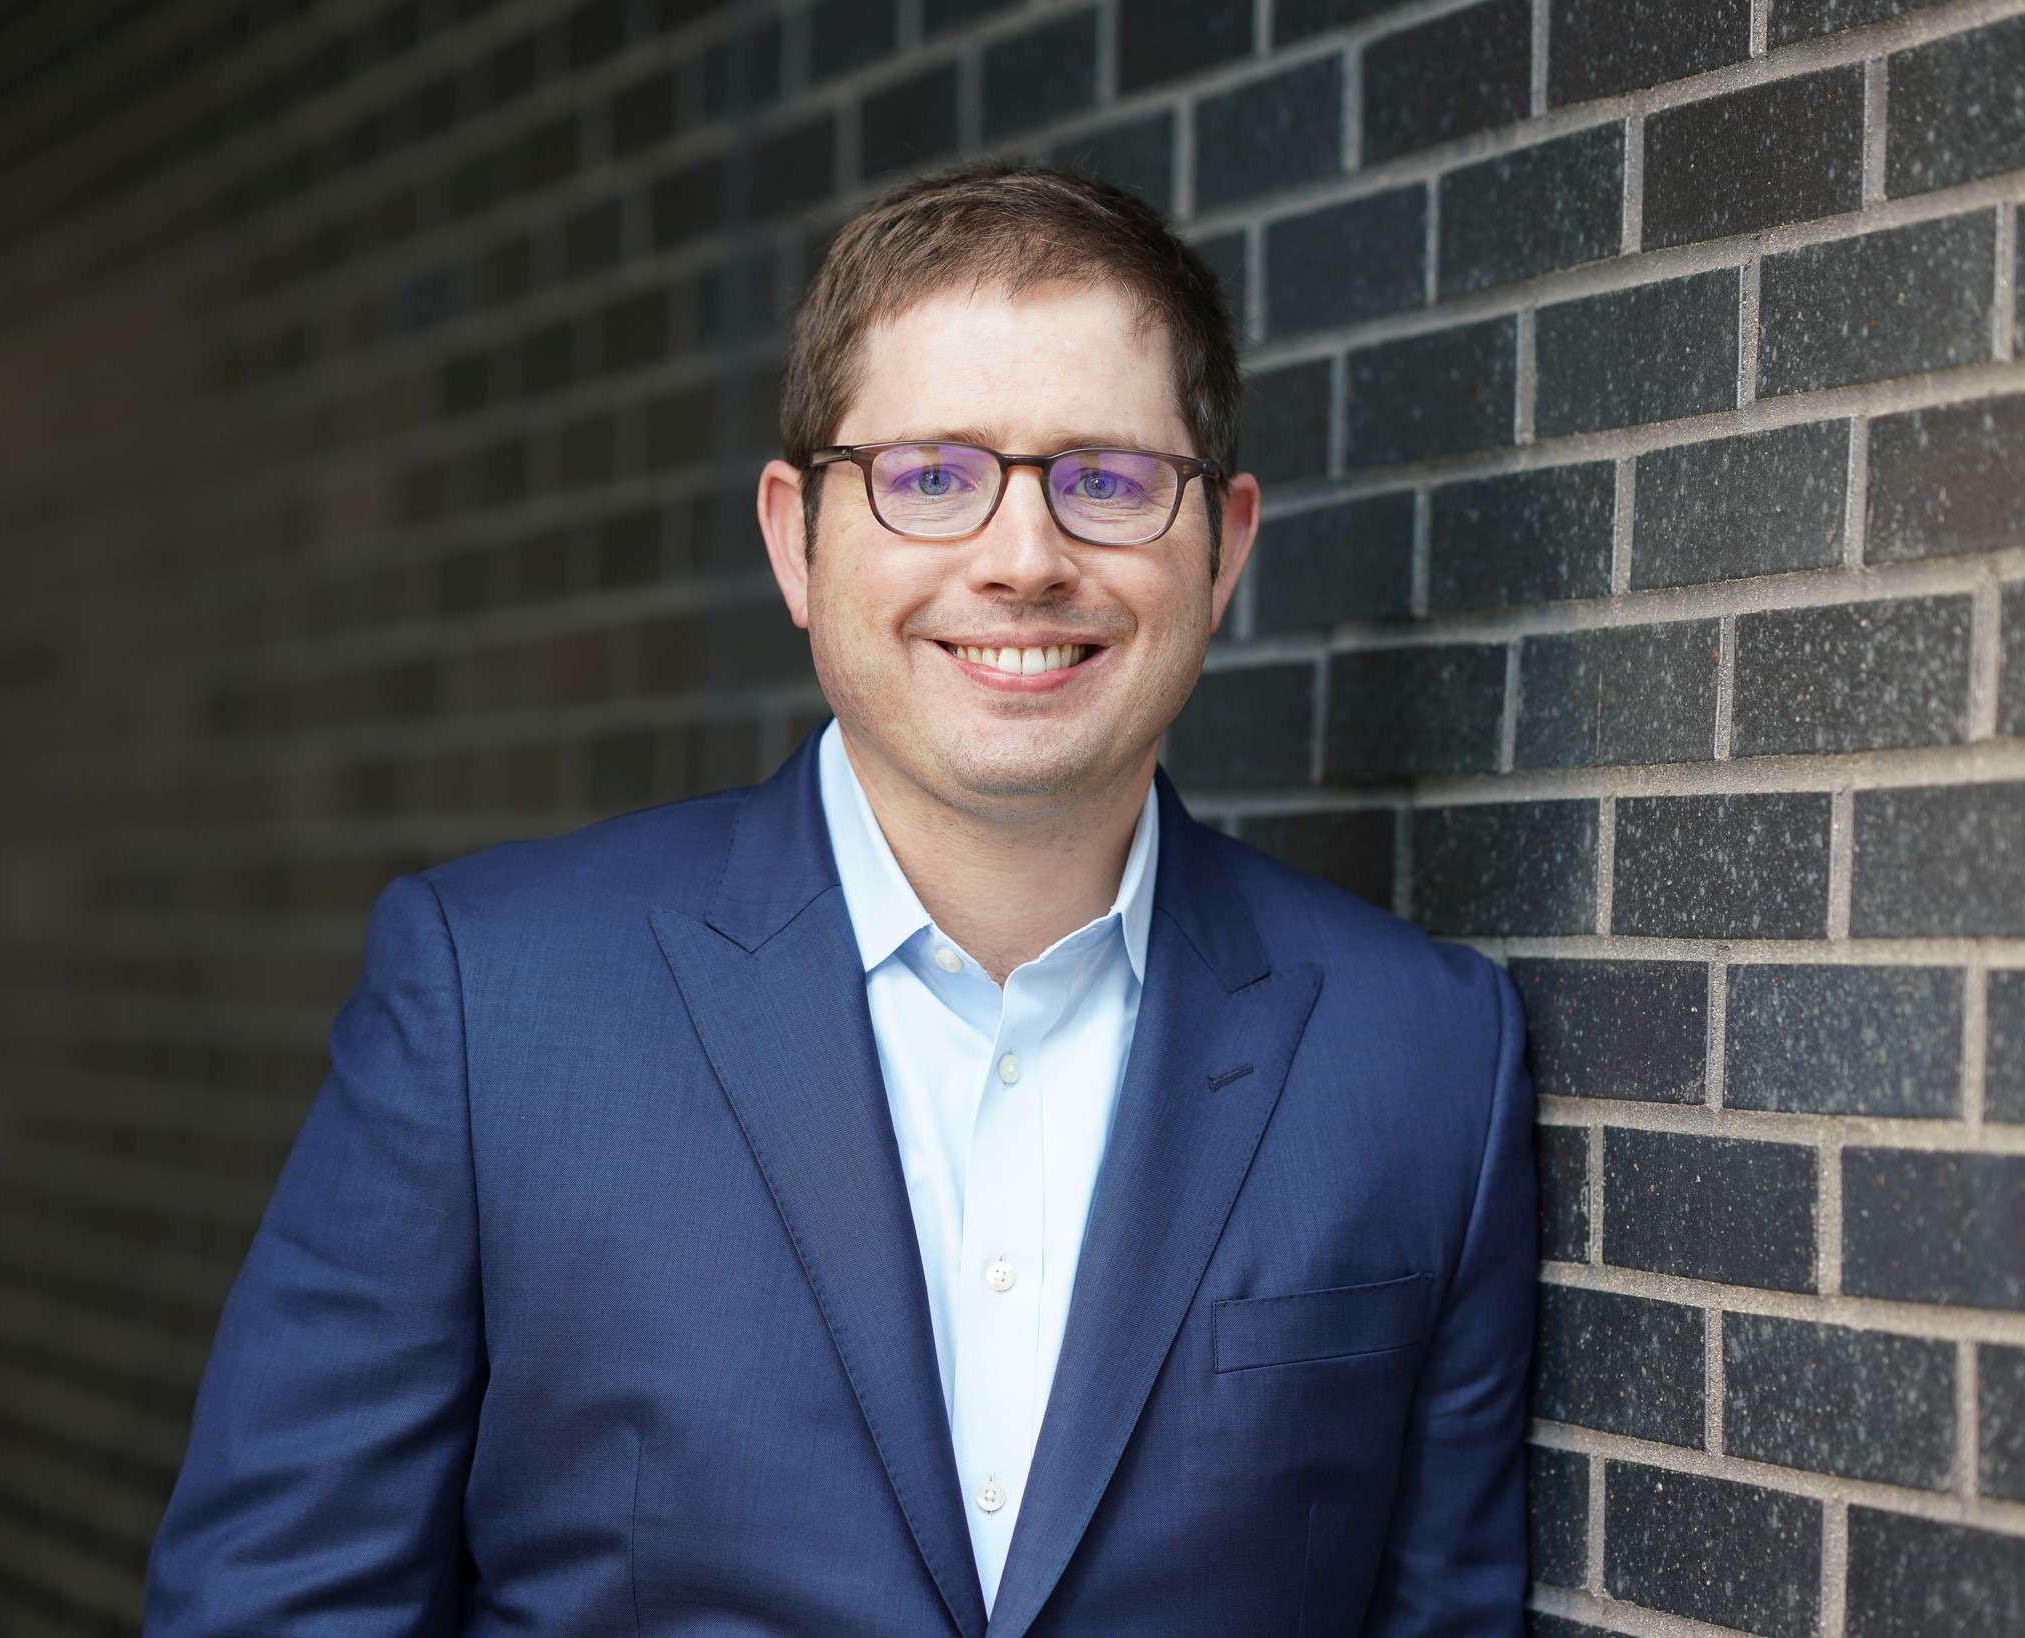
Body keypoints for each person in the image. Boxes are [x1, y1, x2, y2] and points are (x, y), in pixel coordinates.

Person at [146, 163, 1535, 1637]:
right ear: (793, 537)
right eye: (930, 475)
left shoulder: (1429, 1058)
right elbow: (277, 1606)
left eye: (1108, 480)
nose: (1023, 557)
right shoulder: (493, 1004)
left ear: (1225, 545)